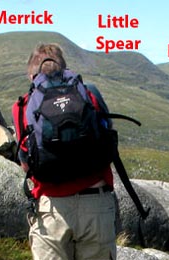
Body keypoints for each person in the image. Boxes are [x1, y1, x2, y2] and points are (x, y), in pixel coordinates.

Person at [17, 43, 117, 260]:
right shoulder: (89, 93)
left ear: (31, 74)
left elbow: (26, 163)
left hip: (52, 210)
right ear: (64, 68)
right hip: (96, 205)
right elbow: (108, 141)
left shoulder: (24, 105)